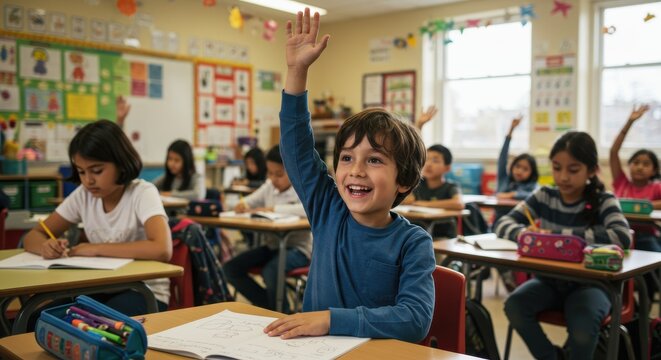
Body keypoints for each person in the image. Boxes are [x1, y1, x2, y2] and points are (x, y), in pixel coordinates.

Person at [263, 9, 435, 342]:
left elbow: (414, 319)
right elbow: (296, 149)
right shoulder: (328, 209)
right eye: (346, 158)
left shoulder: (413, 243)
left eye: (374, 160)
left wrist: (331, 320)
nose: (355, 170)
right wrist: (297, 71)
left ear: (405, 181)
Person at [495, 131, 631, 360]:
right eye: (557, 168)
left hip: (591, 285)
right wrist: (525, 235)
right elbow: (503, 222)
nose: (563, 177)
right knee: (515, 306)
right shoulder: (544, 196)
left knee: (582, 329)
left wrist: (557, 236)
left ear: (592, 170)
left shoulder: (604, 199)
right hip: (548, 281)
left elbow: (622, 236)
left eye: (573, 169)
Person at [23, 120, 173, 315]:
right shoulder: (83, 195)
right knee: (36, 319)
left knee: (83, 325)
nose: (88, 180)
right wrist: (46, 246)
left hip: (144, 291)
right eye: (81, 172)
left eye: (97, 171)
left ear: (121, 163)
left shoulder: (142, 192)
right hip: (100, 286)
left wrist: (95, 249)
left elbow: (162, 249)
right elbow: (33, 235)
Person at [223, 145, 312, 312]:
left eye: (279, 174)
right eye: (269, 173)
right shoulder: (269, 186)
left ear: (293, 170)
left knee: (271, 270)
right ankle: (270, 308)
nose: (273, 179)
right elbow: (248, 201)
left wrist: (272, 209)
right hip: (273, 246)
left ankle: (282, 314)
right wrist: (242, 204)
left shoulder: (302, 187)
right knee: (230, 268)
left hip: (299, 250)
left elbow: (307, 210)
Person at [609, 104, 661, 301]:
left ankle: (646, 304)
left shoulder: (656, 187)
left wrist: (646, 206)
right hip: (620, 238)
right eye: (636, 162)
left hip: (647, 237)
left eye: (646, 164)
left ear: (654, 170)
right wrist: (629, 122)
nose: (639, 167)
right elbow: (614, 153)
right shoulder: (621, 182)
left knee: (654, 263)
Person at [494, 116, 539, 220]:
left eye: (525, 169)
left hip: (520, 224)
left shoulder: (531, 186)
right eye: (517, 166)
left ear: (532, 173)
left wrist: (512, 195)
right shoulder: (504, 180)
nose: (519, 171)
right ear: (512, 166)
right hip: (498, 222)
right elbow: (502, 158)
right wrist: (511, 129)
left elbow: (534, 195)